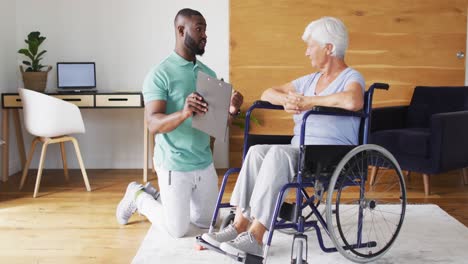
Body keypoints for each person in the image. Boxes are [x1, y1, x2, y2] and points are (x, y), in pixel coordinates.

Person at [201, 16, 366, 257]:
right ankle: (238, 225)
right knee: (257, 152)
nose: (307, 52)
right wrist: (288, 99)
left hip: (330, 154)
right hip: (301, 151)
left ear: (329, 48)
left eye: (311, 45)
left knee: (279, 153)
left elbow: (353, 100)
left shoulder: (351, 77)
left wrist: (309, 102)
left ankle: (256, 237)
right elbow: (269, 92)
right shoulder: (309, 80)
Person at [115, 8, 243, 238]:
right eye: (199, 29)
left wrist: (232, 110)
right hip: (174, 163)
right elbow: (152, 124)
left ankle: (163, 198)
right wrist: (184, 113)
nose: (205, 35)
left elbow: (218, 126)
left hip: (203, 162)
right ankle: (138, 195)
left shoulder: (208, 73)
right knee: (177, 229)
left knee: (206, 223)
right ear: (181, 30)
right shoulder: (159, 74)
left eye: (205, 29)